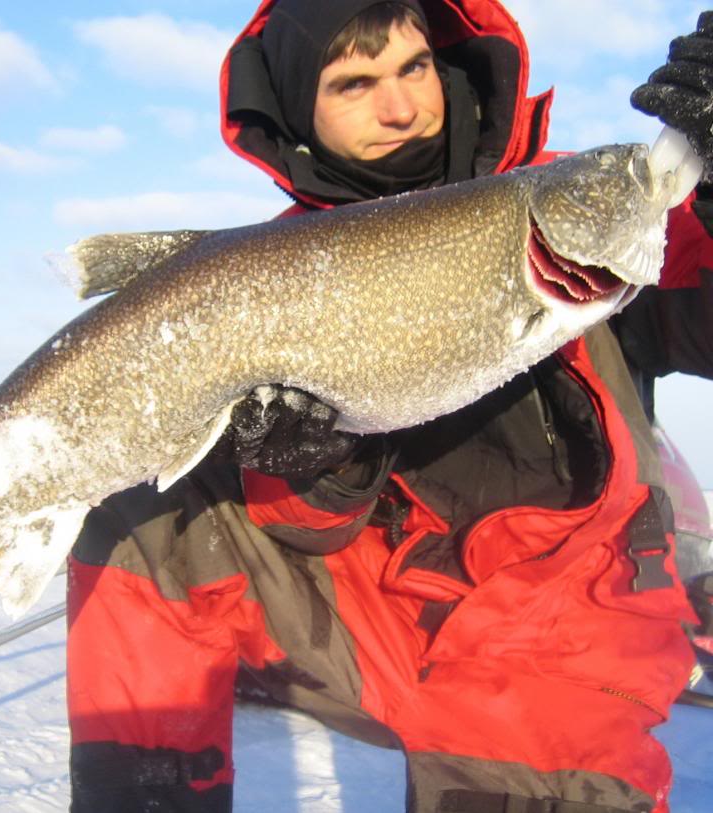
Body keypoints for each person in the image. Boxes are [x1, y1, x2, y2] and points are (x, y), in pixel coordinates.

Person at [65, 2, 713, 811]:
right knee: (140, 509)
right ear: (302, 115)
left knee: (531, 740)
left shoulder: (577, 198)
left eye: (413, 67)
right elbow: (300, 524)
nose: (401, 106)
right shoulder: (275, 271)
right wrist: (319, 462)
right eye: (354, 83)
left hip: (557, 631)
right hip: (367, 619)